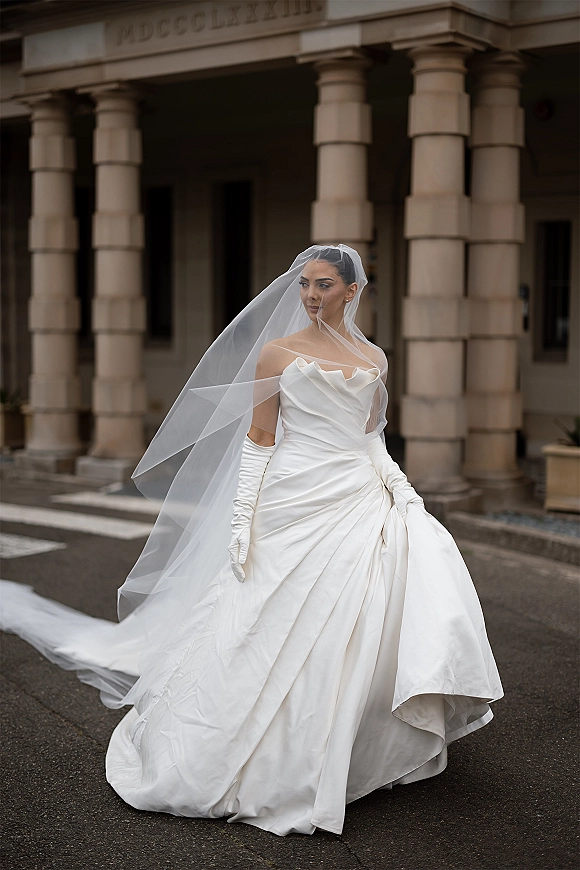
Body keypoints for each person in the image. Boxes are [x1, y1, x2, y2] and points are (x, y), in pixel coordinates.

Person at [0, 244, 503, 837]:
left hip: (356, 494)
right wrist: (243, 521)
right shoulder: (277, 353)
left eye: (324, 285)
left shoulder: (374, 358)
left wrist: (403, 492)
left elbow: (371, 439)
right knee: (263, 622)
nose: (312, 295)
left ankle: (351, 748)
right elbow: (260, 437)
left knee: (360, 621)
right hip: (291, 496)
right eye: (305, 285)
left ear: (351, 291)